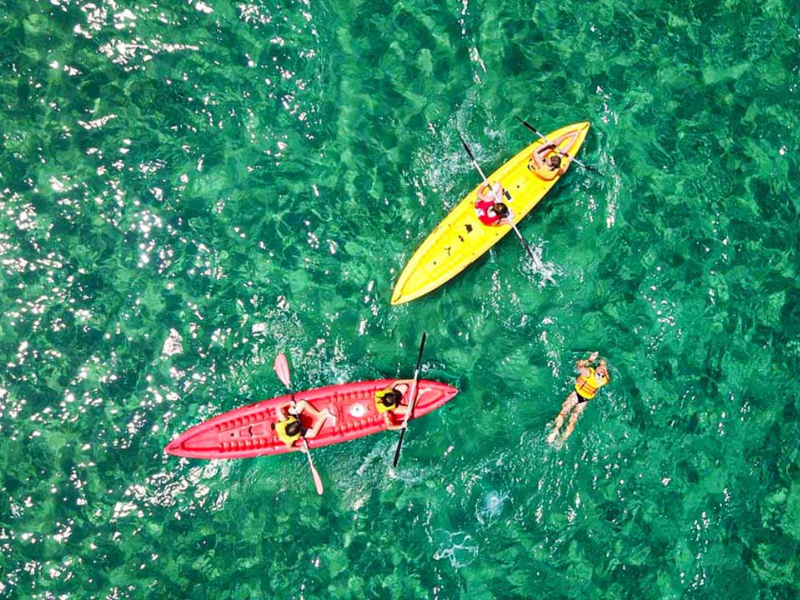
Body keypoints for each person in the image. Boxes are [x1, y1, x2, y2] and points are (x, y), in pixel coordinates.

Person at [547, 352, 610, 447]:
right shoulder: (604, 380)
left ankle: (555, 431)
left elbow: (578, 366)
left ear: (596, 371)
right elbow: (604, 366)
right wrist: (602, 361)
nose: (602, 370)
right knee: (573, 418)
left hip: (576, 395)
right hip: (584, 400)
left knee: (563, 413)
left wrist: (590, 360)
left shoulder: (589, 373)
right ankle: (563, 439)